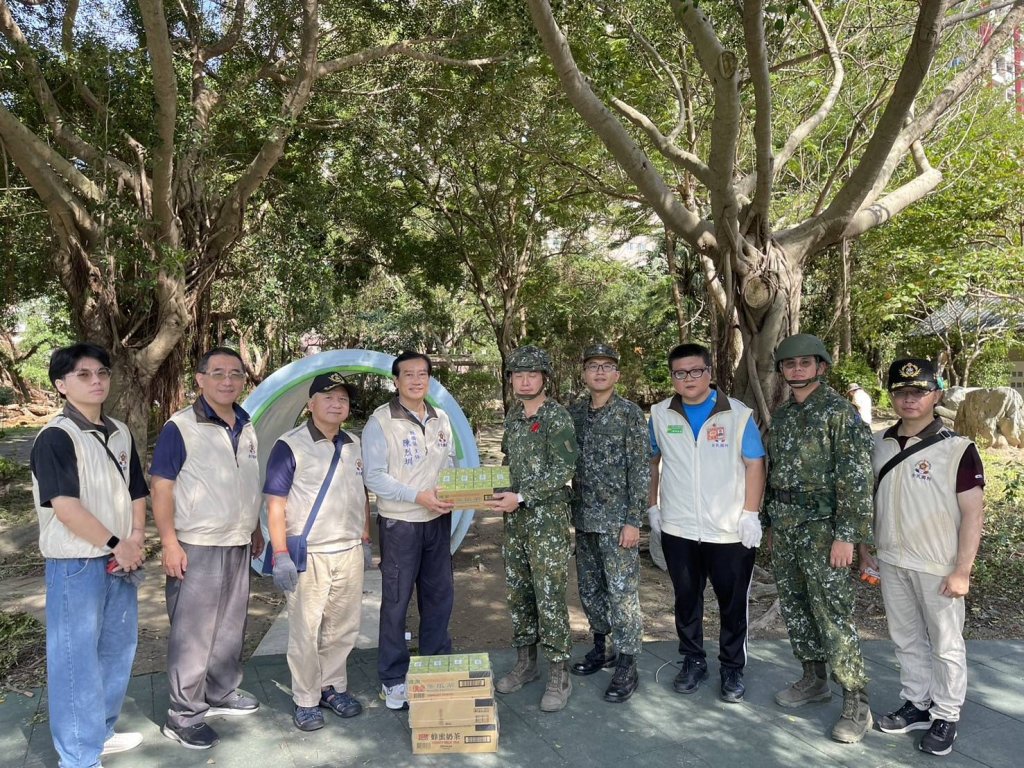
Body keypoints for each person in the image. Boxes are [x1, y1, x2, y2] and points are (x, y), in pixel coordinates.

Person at [30, 343, 148, 768]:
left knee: (117, 650)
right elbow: (65, 508)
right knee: (75, 659)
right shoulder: (56, 438)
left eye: (102, 372)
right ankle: (79, 757)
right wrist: (119, 543)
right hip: (76, 563)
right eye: (83, 375)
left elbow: (136, 489)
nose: (96, 380)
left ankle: (100, 732)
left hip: (121, 558)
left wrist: (135, 537)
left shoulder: (119, 430)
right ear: (61, 385)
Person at [860, 358, 985, 757]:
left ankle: (946, 714)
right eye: (901, 392)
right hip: (893, 560)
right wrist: (867, 548)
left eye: (919, 391)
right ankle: (917, 702)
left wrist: (962, 569)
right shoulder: (879, 443)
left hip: (939, 565)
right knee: (905, 637)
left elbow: (973, 513)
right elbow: (869, 502)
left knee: (946, 643)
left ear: (936, 394)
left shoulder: (958, 449)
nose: (909, 399)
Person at [151, 347, 264, 750]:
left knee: (231, 626)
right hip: (196, 544)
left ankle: (220, 692)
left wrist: (254, 527)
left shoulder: (247, 425)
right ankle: (183, 715)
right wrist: (169, 542)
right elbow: (161, 486)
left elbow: (247, 482)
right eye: (218, 372)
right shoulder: (180, 427)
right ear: (199, 380)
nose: (228, 380)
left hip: (236, 540)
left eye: (235, 373)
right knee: (193, 632)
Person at [764, 333, 874, 744]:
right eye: (789, 365)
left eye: (805, 363)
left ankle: (856, 700)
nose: (796, 370)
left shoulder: (840, 414)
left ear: (821, 367)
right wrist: (772, 525)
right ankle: (814, 679)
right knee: (795, 606)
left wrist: (847, 536)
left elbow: (857, 481)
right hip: (788, 525)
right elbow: (775, 473)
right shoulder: (784, 415)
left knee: (832, 612)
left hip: (825, 529)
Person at [648, 343, 766, 703]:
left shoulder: (738, 415)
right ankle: (692, 660)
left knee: (732, 603)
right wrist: (653, 505)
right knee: (686, 600)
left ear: (710, 372)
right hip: (679, 528)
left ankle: (732, 667)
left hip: (728, 530)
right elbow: (651, 461)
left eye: (696, 371)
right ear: (673, 377)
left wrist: (750, 514)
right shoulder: (659, 414)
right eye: (680, 373)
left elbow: (755, 465)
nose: (688, 379)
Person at [264, 373, 372, 731]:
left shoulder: (353, 443)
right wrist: (280, 553)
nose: (337, 404)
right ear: (310, 405)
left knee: (343, 627)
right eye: (328, 397)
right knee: (306, 630)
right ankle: (306, 698)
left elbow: (361, 494)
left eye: (342, 398)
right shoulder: (290, 445)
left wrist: (366, 538)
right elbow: (275, 503)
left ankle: (332, 687)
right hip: (309, 553)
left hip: (348, 551)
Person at [361, 351, 455, 710]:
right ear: (396, 381)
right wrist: (418, 496)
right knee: (397, 602)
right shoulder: (380, 421)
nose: (417, 381)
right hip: (401, 524)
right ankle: (393, 677)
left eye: (423, 374)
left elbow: (449, 462)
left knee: (439, 598)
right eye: (409, 375)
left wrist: (455, 491)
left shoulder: (441, 417)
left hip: (437, 522)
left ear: (429, 379)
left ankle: (436, 668)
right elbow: (374, 476)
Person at [489, 345, 578, 712]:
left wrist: (522, 496)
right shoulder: (513, 416)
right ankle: (526, 664)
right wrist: (494, 489)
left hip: (547, 522)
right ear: (511, 380)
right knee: (520, 594)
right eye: (518, 375)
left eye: (532, 374)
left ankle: (560, 675)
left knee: (550, 597)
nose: (524, 380)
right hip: (516, 523)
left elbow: (563, 470)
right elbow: (510, 462)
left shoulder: (557, 418)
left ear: (545, 378)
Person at [568, 343, 650, 703]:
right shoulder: (575, 414)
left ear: (617, 375)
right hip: (584, 520)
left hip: (618, 524)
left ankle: (628, 663)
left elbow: (640, 471)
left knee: (623, 596)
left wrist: (634, 521)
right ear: (584, 374)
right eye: (592, 365)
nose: (599, 372)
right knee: (590, 590)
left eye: (607, 366)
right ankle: (602, 647)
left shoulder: (630, 414)